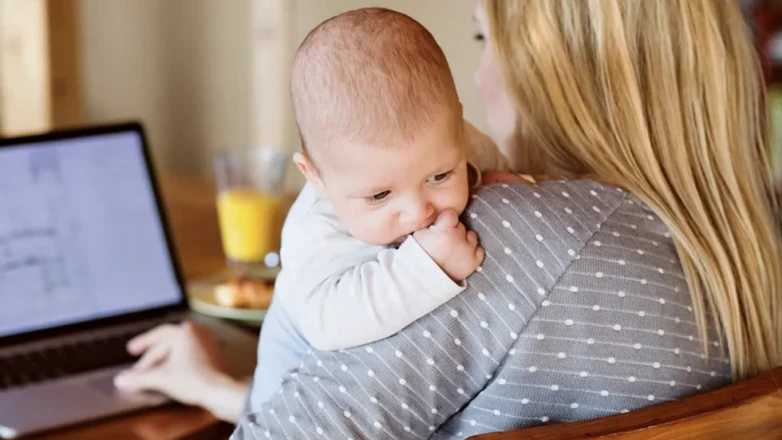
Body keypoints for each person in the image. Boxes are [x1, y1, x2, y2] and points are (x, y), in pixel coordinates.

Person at [116, 1, 782, 437]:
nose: (480, 74)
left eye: (482, 39)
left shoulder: (505, 241)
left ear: (556, 72)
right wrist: (222, 390)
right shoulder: (752, 239)